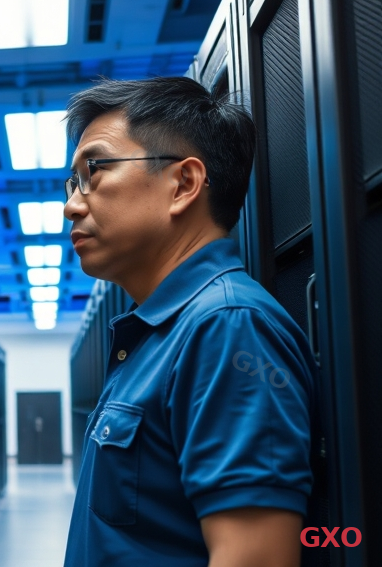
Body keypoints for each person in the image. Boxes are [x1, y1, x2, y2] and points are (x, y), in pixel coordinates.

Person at [61, 77, 316, 567]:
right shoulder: (161, 331)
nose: (72, 204)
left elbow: (255, 558)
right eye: (73, 183)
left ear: (183, 184)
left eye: (95, 171)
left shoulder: (226, 328)